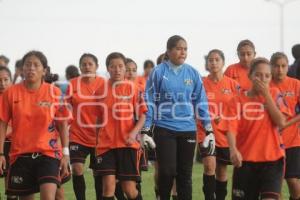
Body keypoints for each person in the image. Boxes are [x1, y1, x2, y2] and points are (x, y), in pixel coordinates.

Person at [142, 35, 214, 200]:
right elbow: (150, 101)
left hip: (188, 130)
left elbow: (201, 102)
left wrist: (209, 129)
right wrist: (146, 128)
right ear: (169, 51)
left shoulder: (192, 73)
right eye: (179, 48)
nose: (183, 52)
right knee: (167, 172)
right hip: (164, 128)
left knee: (185, 175)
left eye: (185, 49)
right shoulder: (158, 72)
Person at [0, 50, 70, 200]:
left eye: (36, 65)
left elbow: (63, 124)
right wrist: (0, 154)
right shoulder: (10, 93)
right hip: (20, 156)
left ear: (44, 70)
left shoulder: (55, 92)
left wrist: (65, 153)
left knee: (48, 196)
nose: (31, 68)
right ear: (21, 69)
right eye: (27, 65)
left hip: (48, 154)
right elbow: (3, 124)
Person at [225, 57, 291, 199]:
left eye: (267, 76)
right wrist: (233, 150)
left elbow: (281, 122)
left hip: (272, 161)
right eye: (258, 75)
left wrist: (266, 95)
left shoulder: (275, 94)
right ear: (250, 76)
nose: (263, 79)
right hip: (245, 161)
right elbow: (230, 128)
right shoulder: (237, 100)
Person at [94, 52, 147, 200]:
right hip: (106, 145)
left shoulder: (134, 88)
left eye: (120, 66)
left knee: (129, 189)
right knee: (108, 187)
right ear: (107, 69)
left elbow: (143, 115)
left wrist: (133, 133)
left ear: (124, 68)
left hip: (127, 144)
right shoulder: (100, 90)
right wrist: (97, 142)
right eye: (113, 66)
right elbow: (99, 119)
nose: (117, 70)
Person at [198, 49, 239, 200]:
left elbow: (240, 108)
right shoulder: (201, 83)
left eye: (217, 59)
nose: (214, 62)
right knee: (209, 166)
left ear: (223, 62)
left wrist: (225, 117)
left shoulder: (233, 85)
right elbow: (194, 105)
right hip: (205, 132)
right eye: (210, 60)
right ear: (207, 64)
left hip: (225, 134)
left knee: (221, 171)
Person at [66, 53, 105, 200]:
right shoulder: (73, 84)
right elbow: (66, 107)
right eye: (84, 64)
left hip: (99, 137)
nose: (87, 67)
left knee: (98, 173)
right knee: (77, 169)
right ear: (80, 67)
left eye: (90, 64)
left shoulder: (104, 84)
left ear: (97, 66)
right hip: (78, 135)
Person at [269, 52, 300, 200]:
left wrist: (286, 124)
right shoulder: (266, 86)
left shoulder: (296, 84)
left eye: (283, 66)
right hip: (271, 143)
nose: (280, 69)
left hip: (293, 142)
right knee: (276, 186)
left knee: (294, 182)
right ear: (271, 67)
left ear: (288, 67)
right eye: (276, 66)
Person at [0, 66, 15, 200]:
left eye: (5, 79)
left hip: (12, 145)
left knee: (11, 188)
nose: (2, 83)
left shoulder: (16, 98)